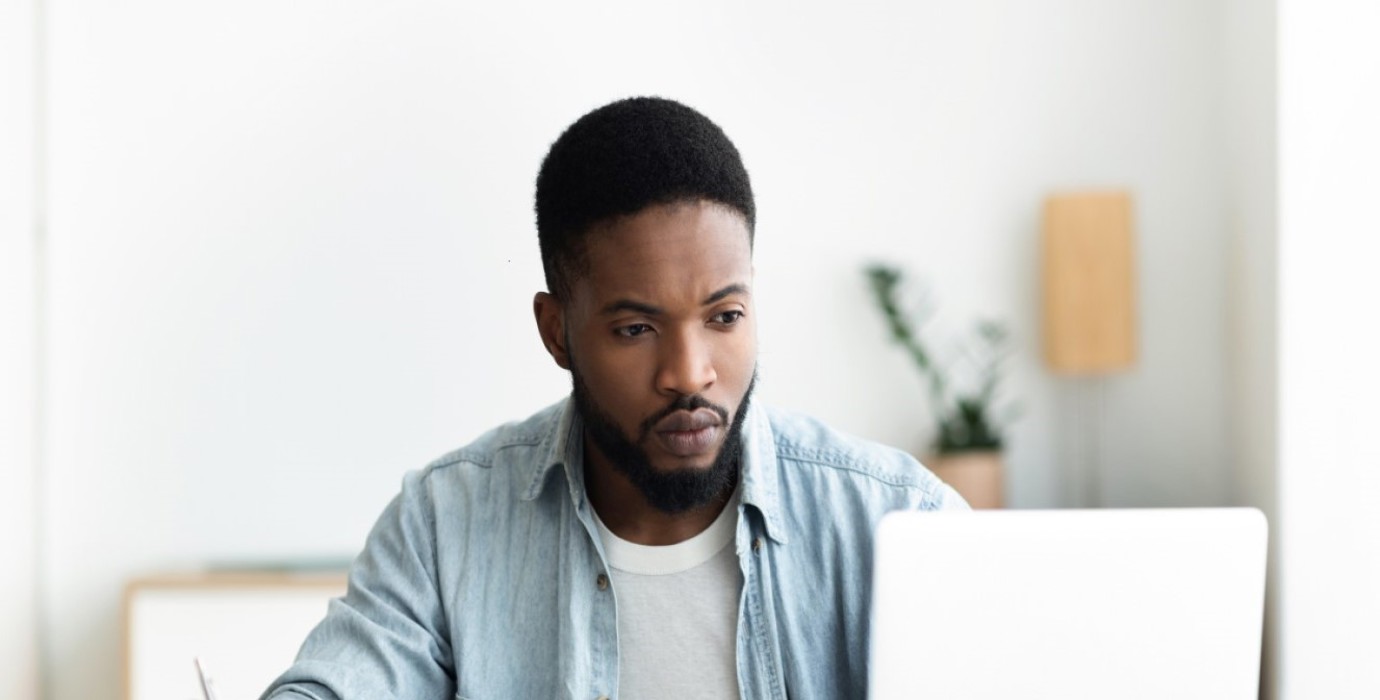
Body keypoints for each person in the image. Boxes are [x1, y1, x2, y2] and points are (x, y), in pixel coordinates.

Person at [261, 96, 967, 700]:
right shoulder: (446, 526)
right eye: (636, 329)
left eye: (725, 317)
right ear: (556, 331)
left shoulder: (900, 522)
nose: (690, 374)